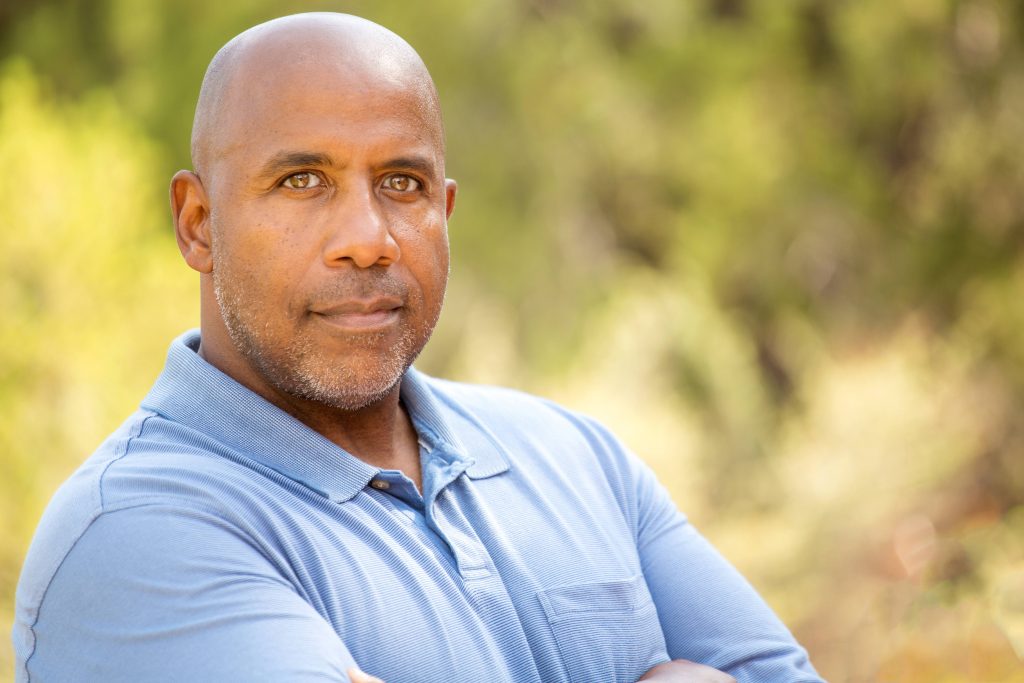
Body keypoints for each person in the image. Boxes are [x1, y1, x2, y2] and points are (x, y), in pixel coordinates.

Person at [13, 13, 823, 683]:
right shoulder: (131, 533)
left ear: (446, 209)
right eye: (302, 180)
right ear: (199, 224)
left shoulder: (576, 456)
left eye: (401, 183)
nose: (367, 240)